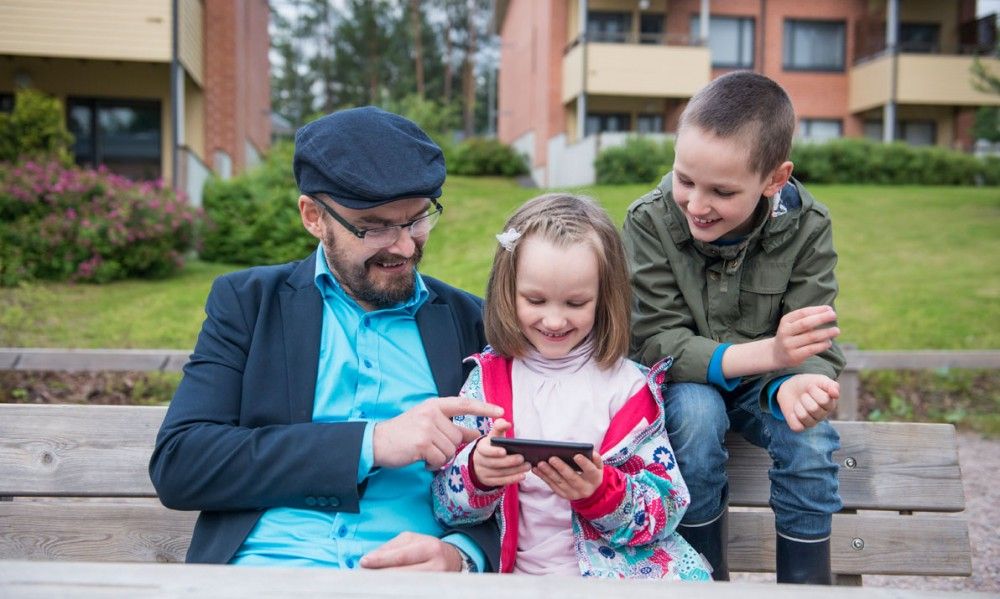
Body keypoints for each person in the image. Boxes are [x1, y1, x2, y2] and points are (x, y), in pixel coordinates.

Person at [148, 106, 505, 572]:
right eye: (375, 226)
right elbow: (182, 463)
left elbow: (518, 482)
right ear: (313, 216)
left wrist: (463, 557)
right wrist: (370, 443)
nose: (403, 245)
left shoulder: (473, 322)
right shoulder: (248, 304)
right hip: (265, 575)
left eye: (417, 220)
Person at [622, 71, 845, 584]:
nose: (697, 205)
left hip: (771, 385)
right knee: (697, 421)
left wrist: (804, 382)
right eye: (684, 180)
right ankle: (704, 576)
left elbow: (811, 335)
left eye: (722, 191)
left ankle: (806, 584)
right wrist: (772, 354)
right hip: (687, 383)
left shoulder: (808, 226)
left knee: (809, 439)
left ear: (774, 179)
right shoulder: (649, 222)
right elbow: (656, 340)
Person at [430, 194, 711, 580]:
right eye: (536, 300)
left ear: (604, 298)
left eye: (576, 303)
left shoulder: (627, 389)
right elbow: (446, 505)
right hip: (515, 580)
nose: (555, 320)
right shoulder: (488, 382)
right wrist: (476, 470)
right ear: (508, 291)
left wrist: (600, 492)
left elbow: (665, 508)